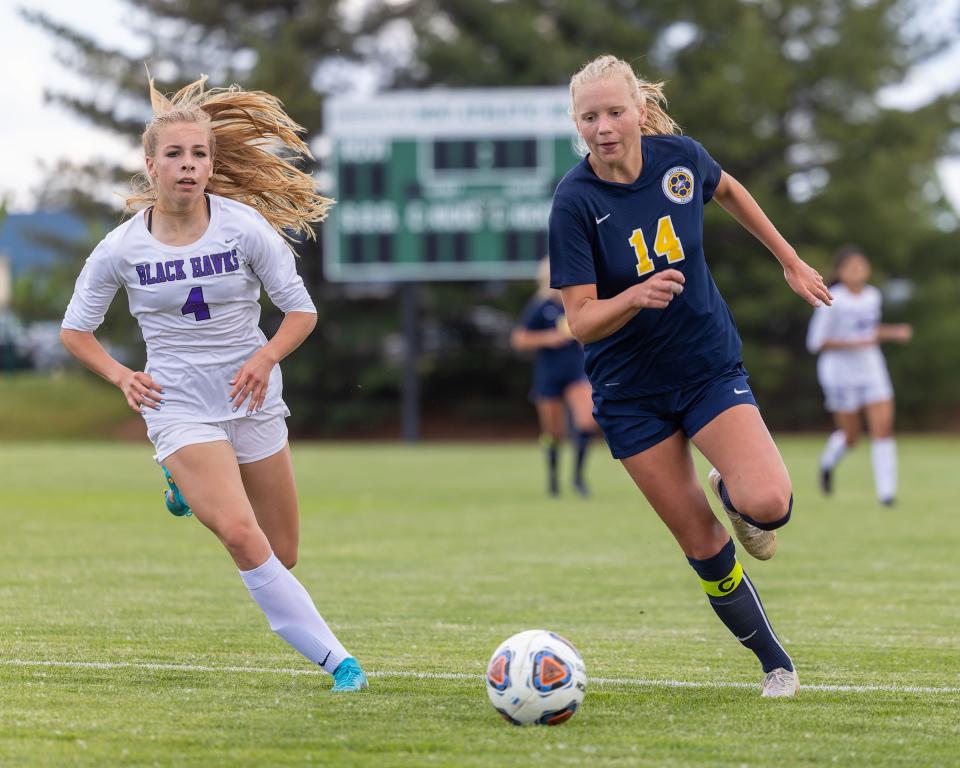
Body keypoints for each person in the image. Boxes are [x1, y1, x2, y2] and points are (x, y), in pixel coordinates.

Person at [60, 74, 368, 692]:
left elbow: (301, 313)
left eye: (198, 154)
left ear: (211, 164)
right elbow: (75, 331)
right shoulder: (119, 249)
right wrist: (123, 376)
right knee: (239, 534)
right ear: (150, 165)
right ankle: (339, 662)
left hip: (251, 400)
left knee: (282, 552)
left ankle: (182, 483)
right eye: (173, 154)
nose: (187, 165)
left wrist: (266, 358)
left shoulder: (245, 226)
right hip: (178, 407)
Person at [549, 55, 832, 697]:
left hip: (706, 369)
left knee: (769, 504)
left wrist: (789, 259)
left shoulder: (680, 159)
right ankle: (775, 664)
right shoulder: (574, 201)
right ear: (577, 123)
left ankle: (732, 492)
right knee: (702, 544)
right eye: (588, 117)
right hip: (629, 397)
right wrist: (634, 297)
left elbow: (727, 189)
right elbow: (581, 322)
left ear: (639, 111)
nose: (603, 127)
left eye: (614, 112)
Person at [806, 246, 912, 505]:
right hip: (839, 373)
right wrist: (856, 343)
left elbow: (868, 331)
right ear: (840, 272)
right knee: (851, 436)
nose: (857, 271)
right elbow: (816, 342)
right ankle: (828, 464)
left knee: (883, 430)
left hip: (872, 369)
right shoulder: (832, 298)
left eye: (861, 266)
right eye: (850, 267)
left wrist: (893, 333)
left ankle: (887, 495)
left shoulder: (873, 296)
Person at [511, 258, 597, 497]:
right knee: (553, 433)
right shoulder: (540, 307)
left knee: (586, 421)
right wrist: (549, 338)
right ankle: (553, 480)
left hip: (576, 372)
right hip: (549, 375)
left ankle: (579, 479)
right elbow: (519, 339)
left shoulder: (578, 303)